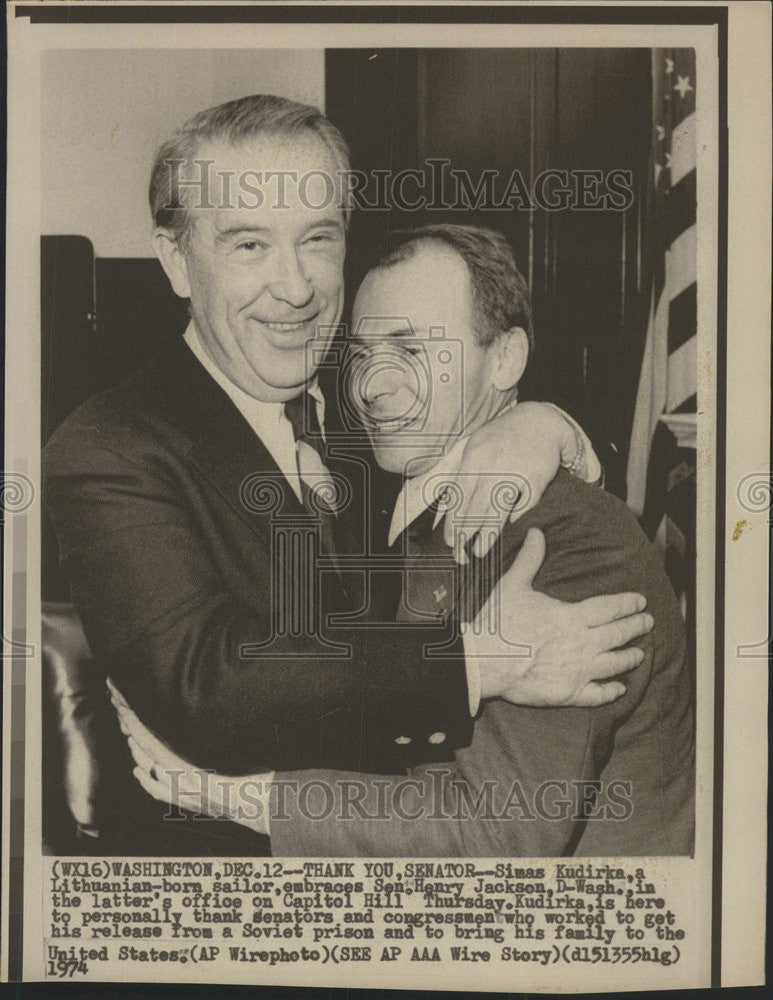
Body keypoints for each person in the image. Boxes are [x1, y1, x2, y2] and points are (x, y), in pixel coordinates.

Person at [45, 95, 653, 798]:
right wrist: (476, 662)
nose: (296, 287)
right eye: (249, 245)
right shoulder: (109, 446)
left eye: (317, 239)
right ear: (176, 262)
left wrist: (544, 424)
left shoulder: (372, 413)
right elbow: (207, 684)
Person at [122, 225, 694, 857]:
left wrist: (239, 794)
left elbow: (499, 830)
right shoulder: (394, 506)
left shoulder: (566, 539)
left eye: (413, 351)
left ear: (504, 359)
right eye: (361, 355)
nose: (373, 386)